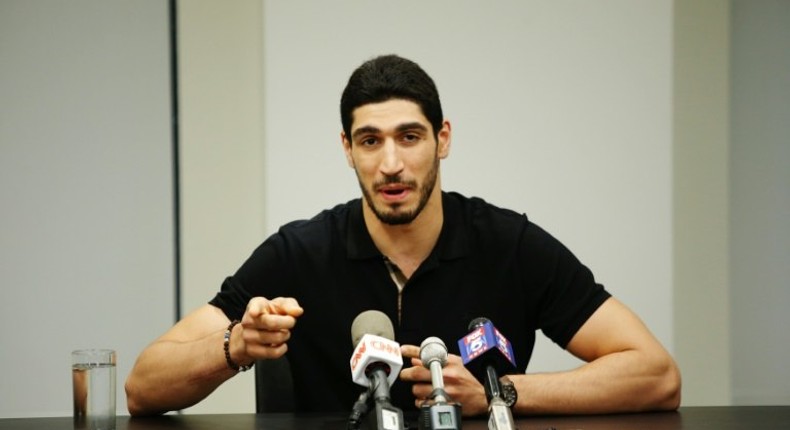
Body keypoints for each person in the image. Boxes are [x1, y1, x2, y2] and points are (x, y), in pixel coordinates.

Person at [125, 54, 681, 417]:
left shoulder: (509, 245)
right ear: (347, 149)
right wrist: (234, 347)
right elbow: (143, 387)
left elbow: (656, 374)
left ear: (442, 139)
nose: (390, 163)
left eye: (409, 136)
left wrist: (496, 395)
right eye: (370, 141)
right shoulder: (299, 253)